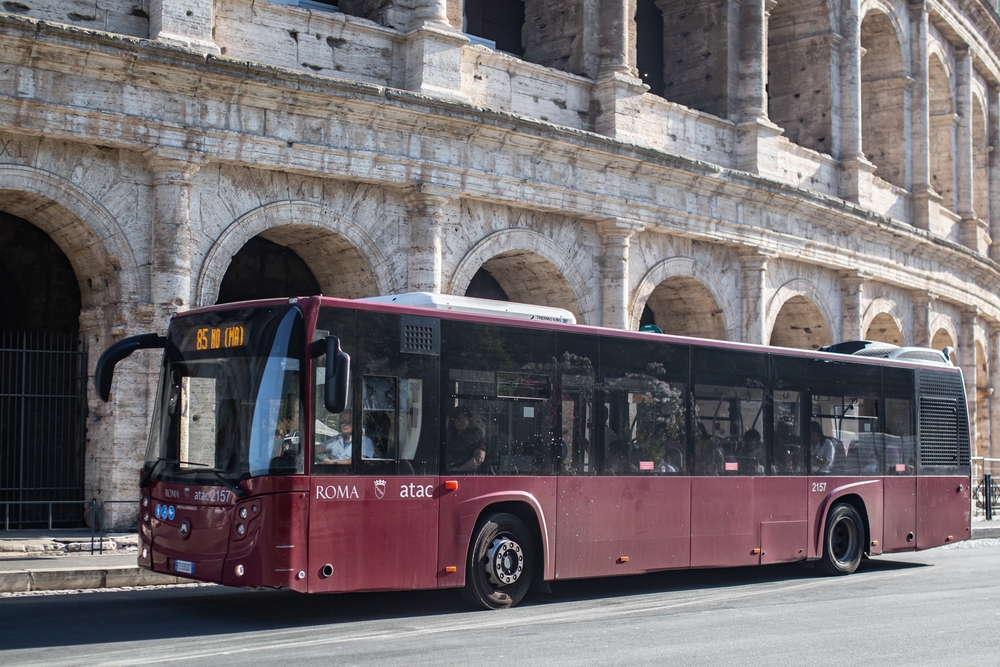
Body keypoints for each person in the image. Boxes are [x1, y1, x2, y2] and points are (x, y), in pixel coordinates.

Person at [447, 405, 487, 472]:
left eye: (464, 417)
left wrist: (458, 470)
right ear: (452, 421)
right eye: (458, 418)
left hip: (471, 475)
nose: (461, 421)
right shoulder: (448, 435)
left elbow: (479, 458)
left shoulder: (476, 435)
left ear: (469, 419)